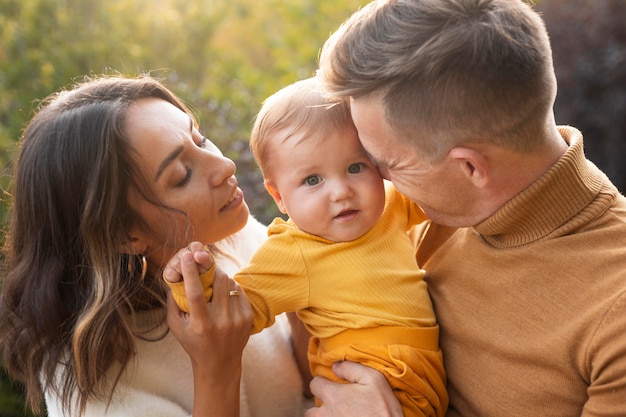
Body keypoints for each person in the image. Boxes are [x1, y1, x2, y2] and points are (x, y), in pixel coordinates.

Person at [310, 0, 626, 416]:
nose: (379, 180)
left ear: (471, 167)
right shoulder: (429, 214)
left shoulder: (614, 316)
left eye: (389, 163)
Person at [0, 75, 313, 417]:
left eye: (202, 139)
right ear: (125, 235)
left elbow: (311, 382)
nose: (226, 166)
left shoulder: (235, 240)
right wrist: (216, 367)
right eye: (182, 175)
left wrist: (307, 296)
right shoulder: (95, 385)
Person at [163, 76, 447, 417]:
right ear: (279, 196)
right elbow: (236, 309)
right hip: (364, 390)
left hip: (424, 382)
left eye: (356, 167)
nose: (341, 191)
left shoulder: (388, 205)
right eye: (313, 180)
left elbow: (440, 192)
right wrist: (196, 281)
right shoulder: (294, 252)